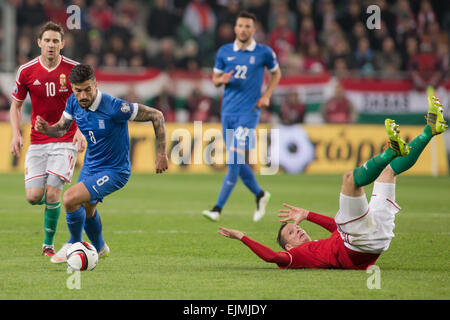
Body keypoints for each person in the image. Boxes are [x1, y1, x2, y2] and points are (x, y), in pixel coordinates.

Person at [218, 95, 447, 269]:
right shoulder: (295, 256)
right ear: (289, 246)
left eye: (295, 228)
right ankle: (390, 151)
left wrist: (308, 215)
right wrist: (241, 236)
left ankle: (430, 130)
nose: (296, 230)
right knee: (349, 179)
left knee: (388, 174)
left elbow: (335, 228)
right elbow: (271, 256)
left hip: (373, 239)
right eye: (291, 233)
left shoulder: (323, 244)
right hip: (358, 245)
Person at [35, 64, 169, 263]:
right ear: (72, 88)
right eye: (78, 90)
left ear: (96, 85)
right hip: (91, 165)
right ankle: (99, 247)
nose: (82, 95)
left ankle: (74, 243)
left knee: (70, 198)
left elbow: (156, 115)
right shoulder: (73, 102)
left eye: (87, 89)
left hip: (115, 170)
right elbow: (62, 129)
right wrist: (47, 129)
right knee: (88, 209)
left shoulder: (114, 107)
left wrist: (161, 154)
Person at [9, 21, 85, 257]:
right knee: (34, 197)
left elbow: (86, 103)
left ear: (62, 44)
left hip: (65, 139)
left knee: (53, 192)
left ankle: (48, 245)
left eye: (56, 41)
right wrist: (15, 134)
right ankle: (50, 210)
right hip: (38, 140)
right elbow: (16, 105)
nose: (51, 45)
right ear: (39, 43)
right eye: (47, 40)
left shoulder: (74, 70)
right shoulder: (26, 71)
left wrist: (81, 131)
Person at [202, 11, 282, 222]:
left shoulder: (264, 52)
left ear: (254, 30)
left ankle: (217, 208)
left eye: (248, 26)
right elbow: (215, 80)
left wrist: (266, 95)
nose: (243, 29)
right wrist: (222, 79)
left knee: (234, 159)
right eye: (240, 26)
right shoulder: (225, 51)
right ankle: (260, 194)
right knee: (236, 161)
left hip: (249, 112)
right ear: (235, 28)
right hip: (227, 111)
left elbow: (277, 73)